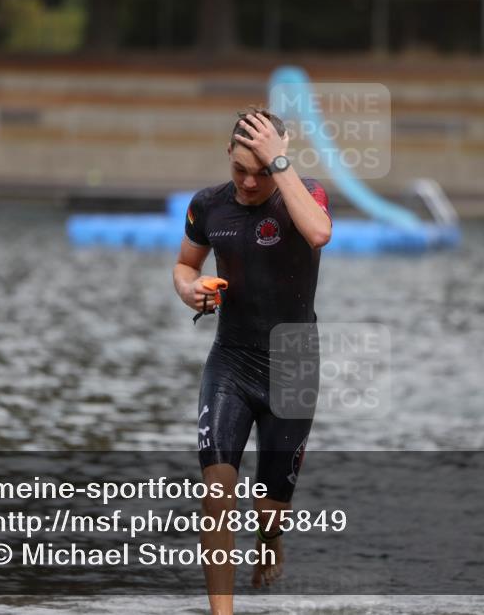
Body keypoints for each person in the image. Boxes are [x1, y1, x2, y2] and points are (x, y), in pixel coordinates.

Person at [172, 107, 331, 615]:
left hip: (294, 365)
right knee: (217, 494)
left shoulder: (304, 195)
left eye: (261, 171)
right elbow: (183, 265)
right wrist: (189, 291)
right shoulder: (208, 206)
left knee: (269, 510)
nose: (248, 181)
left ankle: (271, 537)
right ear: (228, 155)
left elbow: (320, 233)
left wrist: (278, 166)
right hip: (231, 362)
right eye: (240, 168)